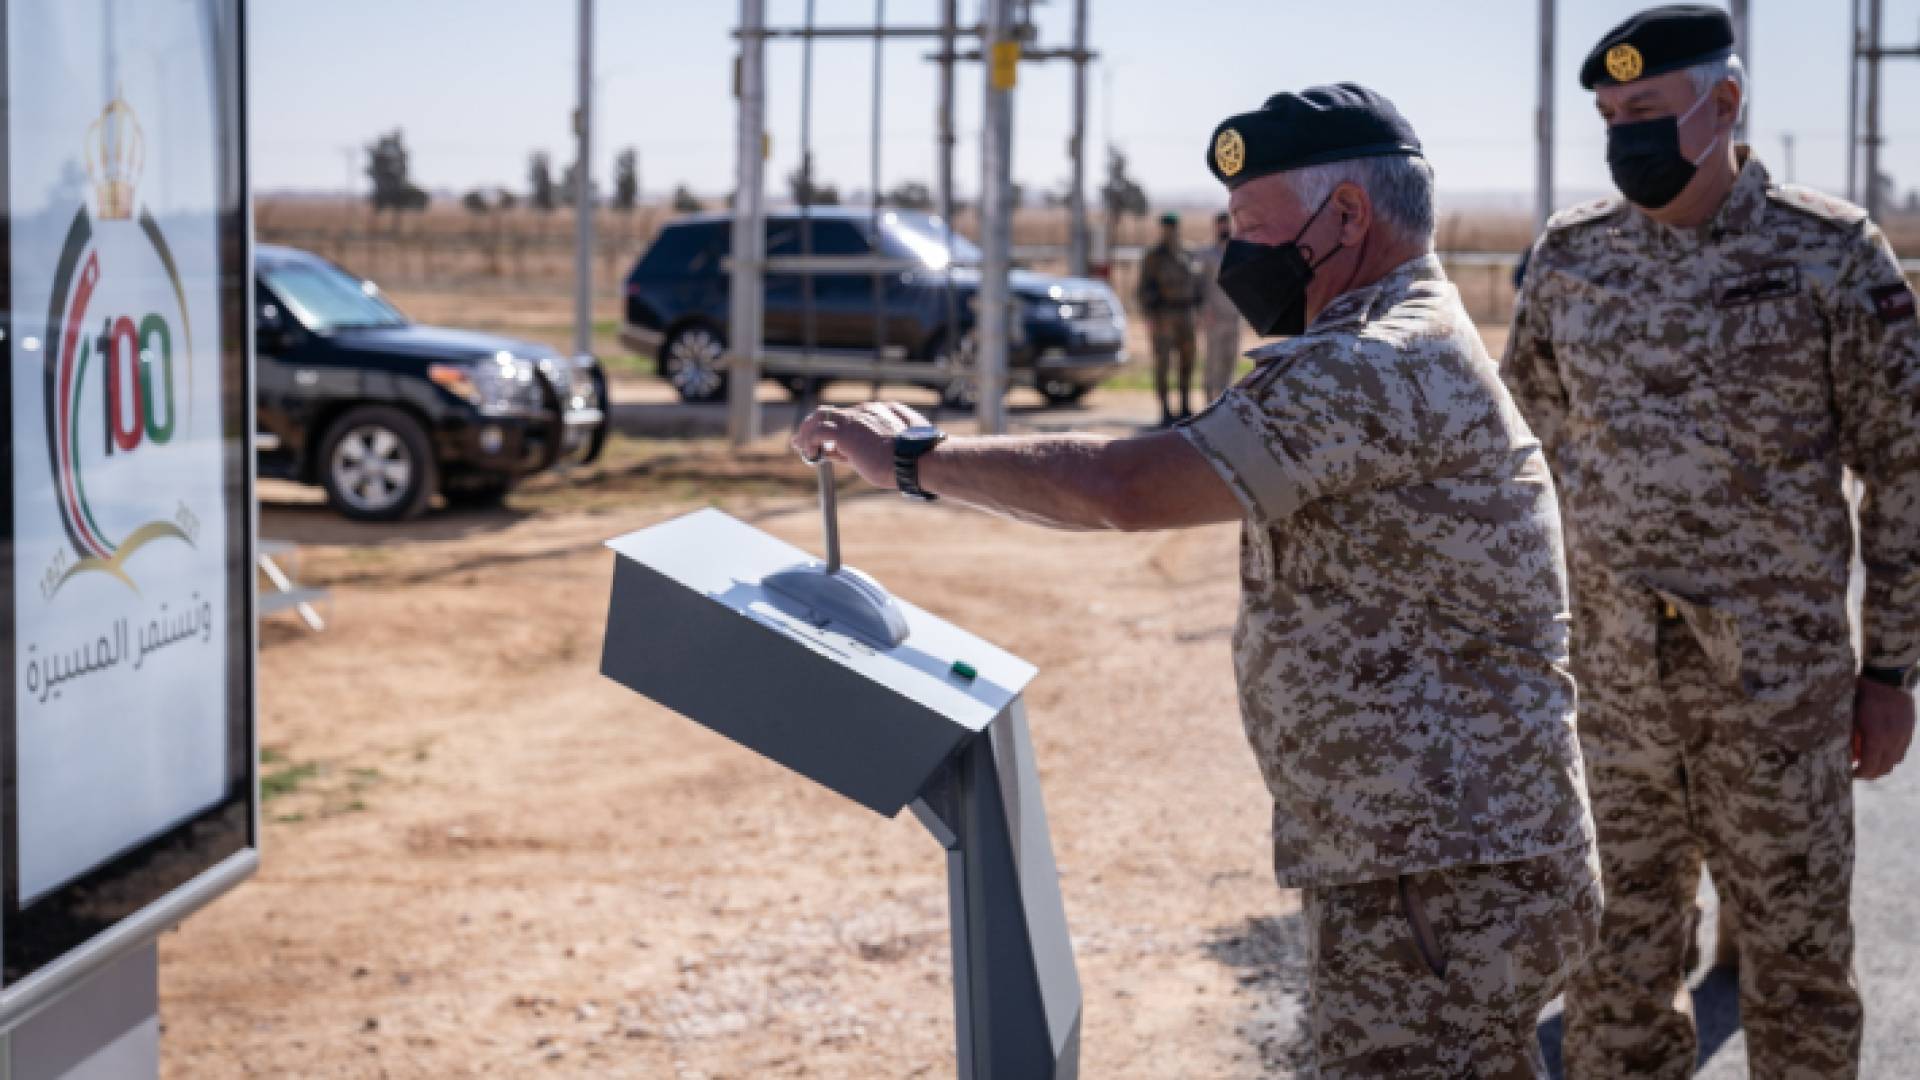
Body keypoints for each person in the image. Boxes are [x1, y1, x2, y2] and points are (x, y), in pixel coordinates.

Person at [796, 84, 1599, 1077]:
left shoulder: (1377, 361)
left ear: (1348, 214)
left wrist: (916, 460)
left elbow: (1127, 486)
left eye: (1252, 227)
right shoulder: (1389, 338)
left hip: (1443, 863)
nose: (1236, 254)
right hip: (1438, 850)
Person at [1500, 7, 1920, 1076]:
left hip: (1777, 695)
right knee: (1611, 976)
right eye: (1610, 116)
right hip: (1612, 698)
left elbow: (1905, 469)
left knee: (1799, 972)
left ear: (1724, 103)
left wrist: (1890, 671)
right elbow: (1523, 463)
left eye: (1645, 109)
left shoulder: (1829, 254)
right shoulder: (1570, 258)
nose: (1623, 133)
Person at [1136, 211, 1200, 425]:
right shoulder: (1154, 256)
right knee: (1163, 362)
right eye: (1167, 228)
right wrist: (1150, 314)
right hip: (1164, 316)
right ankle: (1165, 409)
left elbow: (1197, 285)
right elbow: (1143, 289)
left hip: (1186, 314)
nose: (1170, 232)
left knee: (1188, 361)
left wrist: (1199, 309)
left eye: (1173, 228)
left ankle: (1185, 406)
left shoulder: (1188, 253)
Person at [1195, 211, 1245, 401]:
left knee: (1230, 360)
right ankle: (1209, 401)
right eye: (1221, 224)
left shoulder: (1238, 253)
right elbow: (1199, 285)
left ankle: (1225, 401)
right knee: (1213, 360)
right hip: (1214, 317)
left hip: (1234, 316)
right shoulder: (1206, 255)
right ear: (1215, 227)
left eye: (1227, 224)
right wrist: (1203, 311)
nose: (1224, 228)